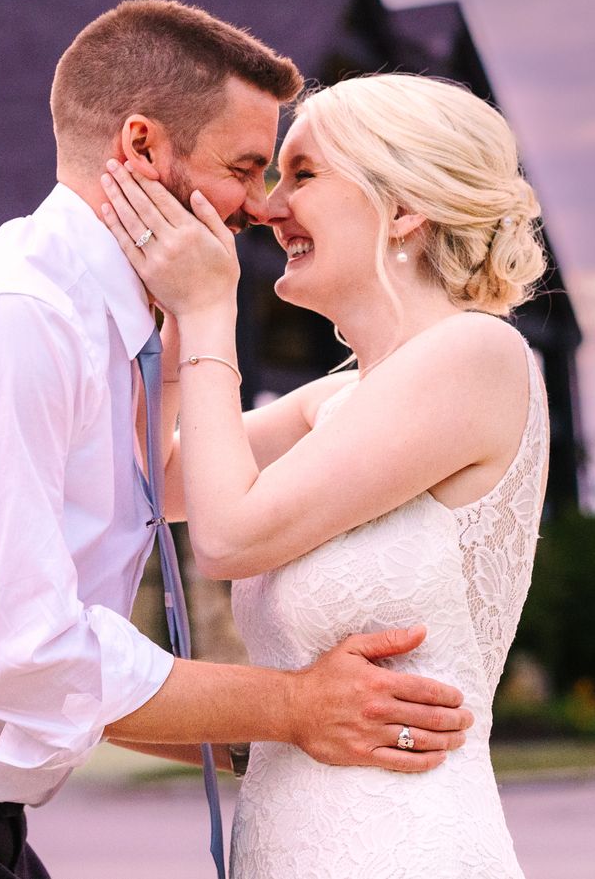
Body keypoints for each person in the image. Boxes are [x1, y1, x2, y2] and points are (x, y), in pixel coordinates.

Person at [0, 1, 475, 879]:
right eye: (244, 167)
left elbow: (173, 489)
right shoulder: (12, 316)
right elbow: (29, 655)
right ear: (144, 147)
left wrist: (361, 397)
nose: (261, 205)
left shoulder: (105, 328)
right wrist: (297, 708)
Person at [97, 72, 550, 879]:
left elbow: (227, 535)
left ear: (404, 206)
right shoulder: (339, 400)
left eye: (301, 174)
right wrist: (169, 314)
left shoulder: (477, 354)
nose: (267, 209)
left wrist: (211, 313)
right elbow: (151, 481)